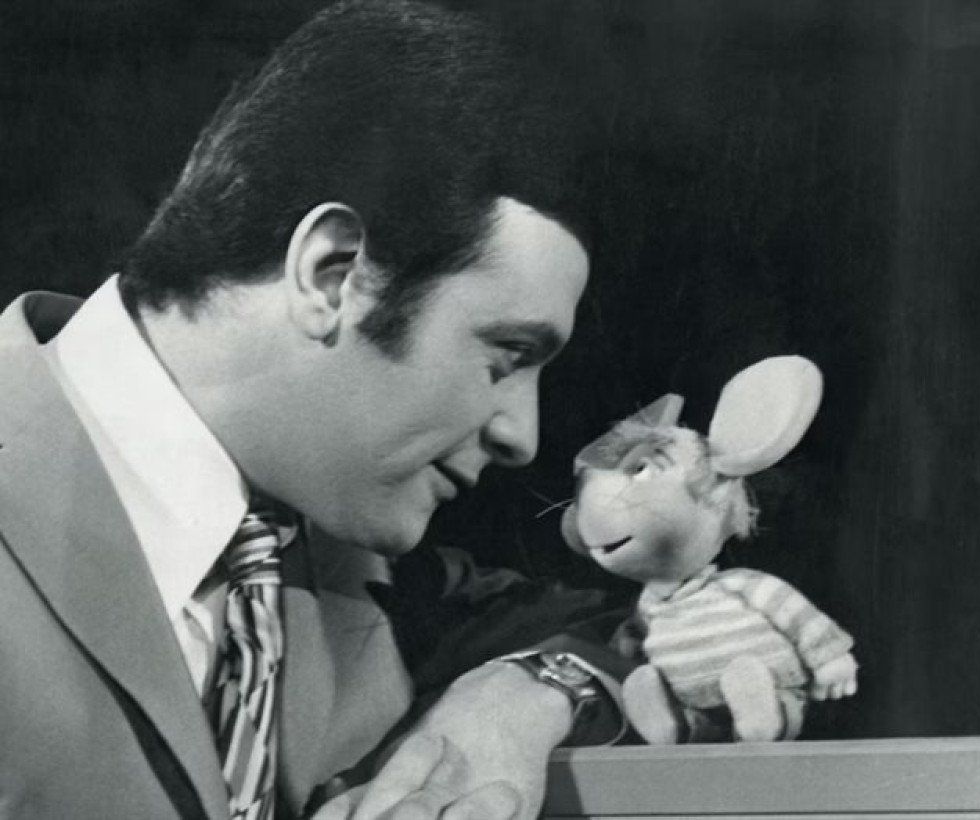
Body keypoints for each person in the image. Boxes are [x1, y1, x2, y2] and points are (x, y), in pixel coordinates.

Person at [0, 2, 627, 818]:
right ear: (331, 273)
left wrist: (525, 694)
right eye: (506, 355)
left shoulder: (348, 557)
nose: (521, 435)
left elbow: (615, 628)